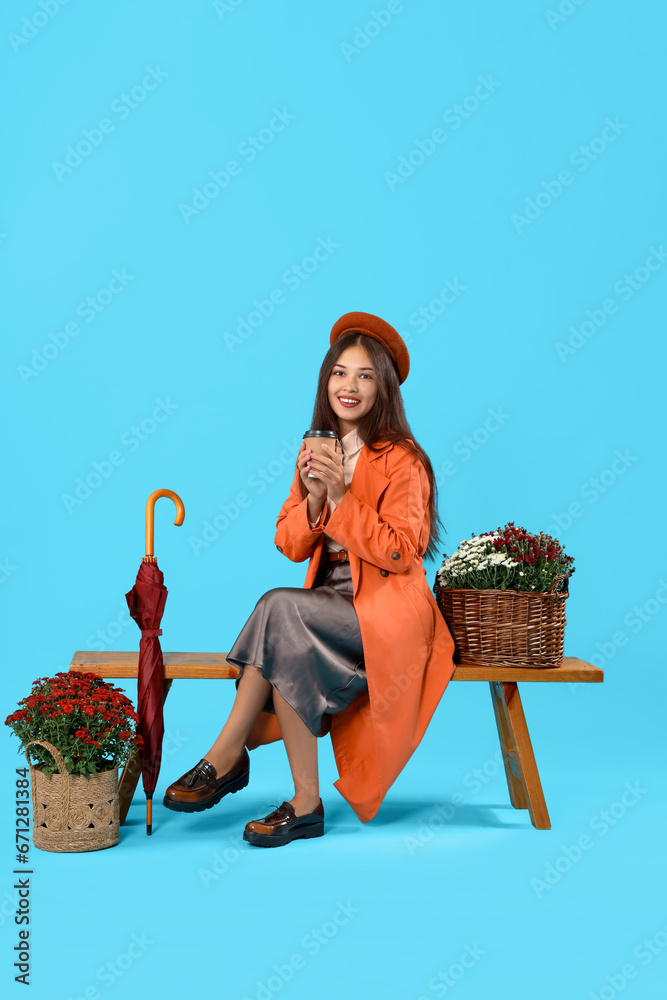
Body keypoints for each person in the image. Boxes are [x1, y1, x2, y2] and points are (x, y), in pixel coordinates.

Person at [163, 311, 456, 847]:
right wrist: (316, 497)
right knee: (286, 632)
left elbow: (400, 551)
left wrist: (343, 496)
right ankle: (305, 806)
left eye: (366, 376)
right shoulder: (315, 447)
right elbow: (289, 542)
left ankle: (226, 755)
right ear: (326, 380)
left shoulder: (404, 461)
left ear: (383, 387)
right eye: (340, 372)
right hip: (327, 608)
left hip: (387, 613)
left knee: (280, 609)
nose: (350, 386)